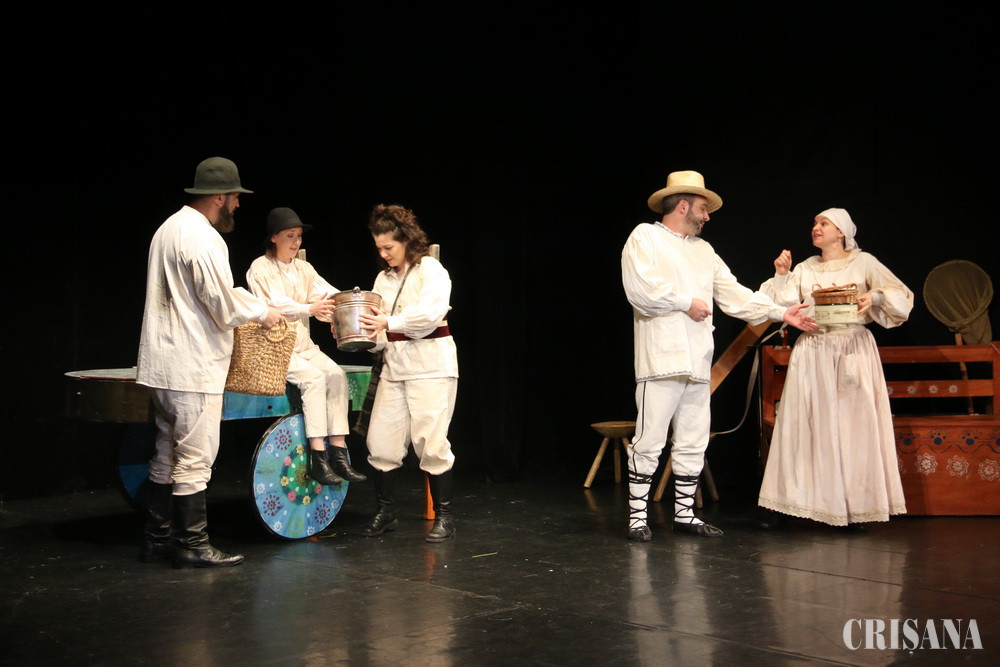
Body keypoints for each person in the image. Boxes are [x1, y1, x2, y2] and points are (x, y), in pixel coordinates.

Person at [621, 170, 817, 542]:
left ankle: (684, 514)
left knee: (693, 439)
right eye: (702, 208)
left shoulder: (704, 251)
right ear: (683, 206)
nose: (707, 216)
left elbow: (734, 294)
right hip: (661, 357)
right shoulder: (644, 237)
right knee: (650, 439)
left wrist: (781, 312)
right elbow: (640, 290)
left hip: (697, 359)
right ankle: (637, 517)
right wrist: (686, 302)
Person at [136, 157, 285, 568]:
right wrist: (262, 312)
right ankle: (192, 544)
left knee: (166, 451)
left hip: (161, 364)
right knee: (195, 457)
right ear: (219, 196)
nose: (237, 204)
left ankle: (157, 539)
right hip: (192, 364)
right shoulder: (202, 237)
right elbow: (221, 304)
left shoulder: (168, 228)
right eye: (235, 197)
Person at [757, 208, 912, 530]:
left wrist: (875, 297)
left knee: (851, 426)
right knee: (805, 423)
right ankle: (792, 504)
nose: (816, 227)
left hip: (851, 348)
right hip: (813, 349)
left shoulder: (863, 262)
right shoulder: (804, 268)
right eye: (815, 223)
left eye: (824, 223)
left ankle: (854, 507)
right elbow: (781, 306)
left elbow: (901, 296)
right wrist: (783, 275)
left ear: (841, 231)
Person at [355, 204, 458, 542]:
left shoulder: (431, 270)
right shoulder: (382, 280)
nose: (384, 254)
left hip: (431, 367)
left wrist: (388, 321)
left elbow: (429, 316)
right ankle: (386, 512)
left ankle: (444, 516)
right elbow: (379, 333)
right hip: (395, 367)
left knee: (430, 441)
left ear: (407, 240)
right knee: (380, 441)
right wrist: (362, 334)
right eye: (379, 248)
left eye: (389, 247)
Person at [246, 207, 367, 486]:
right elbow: (275, 305)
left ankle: (339, 454)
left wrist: (342, 311)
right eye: (290, 236)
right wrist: (309, 309)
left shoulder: (304, 268)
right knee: (314, 378)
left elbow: (327, 294)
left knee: (335, 375)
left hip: (301, 342)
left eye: (299, 236)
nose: (296, 242)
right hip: (274, 347)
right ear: (274, 237)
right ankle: (318, 458)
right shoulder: (259, 268)